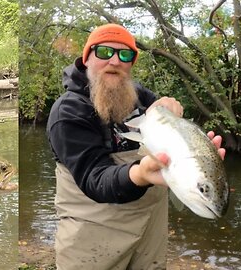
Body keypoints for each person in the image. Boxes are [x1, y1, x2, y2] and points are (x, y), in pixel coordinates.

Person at [46, 23, 226, 270]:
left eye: (125, 54)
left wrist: (171, 109)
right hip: (92, 237)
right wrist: (140, 174)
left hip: (149, 232)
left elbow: (170, 122)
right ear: (87, 58)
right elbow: (94, 178)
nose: (115, 61)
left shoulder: (138, 95)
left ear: (132, 63)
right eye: (104, 52)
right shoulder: (66, 112)